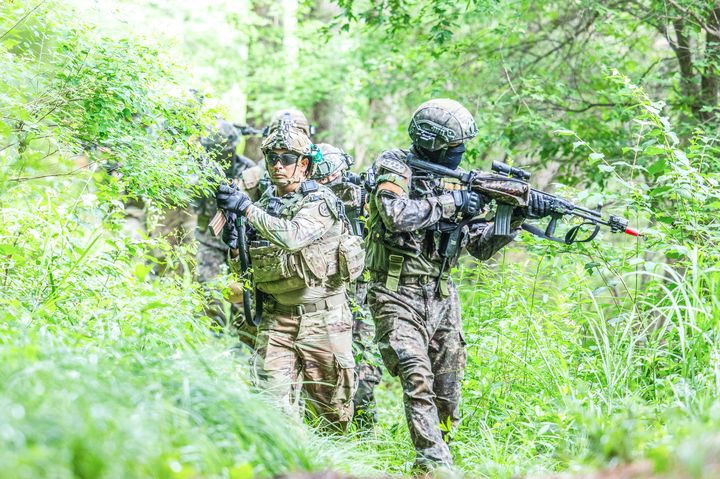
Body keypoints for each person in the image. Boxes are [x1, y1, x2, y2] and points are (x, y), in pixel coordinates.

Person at [364, 98, 551, 469]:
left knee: (447, 391)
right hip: (395, 291)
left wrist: (513, 218)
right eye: (454, 148)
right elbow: (396, 214)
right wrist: (453, 201)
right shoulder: (394, 166)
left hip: (441, 296)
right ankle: (434, 464)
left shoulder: (458, 179)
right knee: (416, 375)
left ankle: (437, 453)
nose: (460, 154)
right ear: (433, 142)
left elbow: (481, 248)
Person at [215, 125, 363, 431]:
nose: (278, 165)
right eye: (272, 159)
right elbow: (246, 270)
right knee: (271, 410)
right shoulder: (267, 204)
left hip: (322, 320)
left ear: (304, 164)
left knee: (331, 415)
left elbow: (294, 237)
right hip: (276, 318)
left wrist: (245, 209)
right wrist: (235, 240)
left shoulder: (320, 202)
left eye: (287, 158)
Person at [312, 143, 383, 429]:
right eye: (323, 180)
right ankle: (326, 430)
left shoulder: (366, 196)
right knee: (323, 367)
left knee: (364, 373)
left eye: (334, 177)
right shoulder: (308, 204)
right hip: (323, 298)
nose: (330, 184)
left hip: (361, 298)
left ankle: (366, 434)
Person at [195, 120, 263, 334]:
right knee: (208, 287)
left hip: (240, 240)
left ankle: (243, 335)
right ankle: (213, 333)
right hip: (210, 238)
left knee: (244, 292)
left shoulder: (249, 171)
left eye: (225, 149)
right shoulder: (200, 172)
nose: (220, 155)